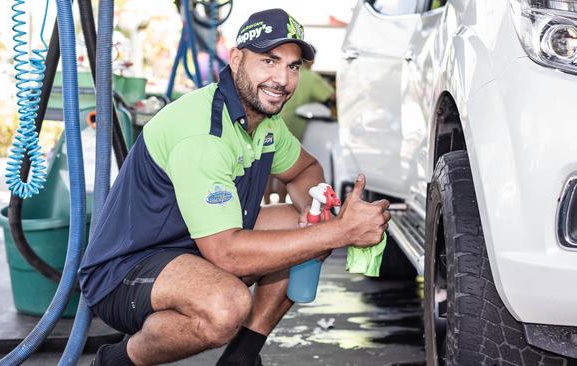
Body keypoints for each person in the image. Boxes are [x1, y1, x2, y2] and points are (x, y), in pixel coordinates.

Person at [80, 8, 390, 366]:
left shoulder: (265, 123)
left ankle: (240, 358)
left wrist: (316, 210)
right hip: (127, 270)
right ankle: (115, 361)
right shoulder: (204, 133)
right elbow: (227, 254)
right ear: (237, 59)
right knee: (226, 305)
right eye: (269, 61)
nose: (282, 79)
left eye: (292, 67)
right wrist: (339, 232)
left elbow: (306, 168)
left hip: (193, 248)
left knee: (301, 225)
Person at [264, 53, 334, 204]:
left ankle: (267, 203)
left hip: (269, 124)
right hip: (291, 127)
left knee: (266, 168)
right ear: (312, 61)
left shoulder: (282, 73)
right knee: (287, 169)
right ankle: (281, 202)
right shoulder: (310, 77)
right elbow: (332, 96)